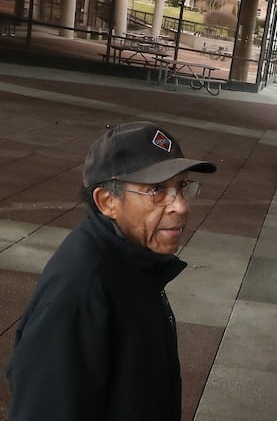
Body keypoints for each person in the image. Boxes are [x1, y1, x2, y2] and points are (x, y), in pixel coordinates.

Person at [5, 121, 217, 420]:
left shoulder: (133, 260)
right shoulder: (80, 291)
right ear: (108, 202)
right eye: (156, 190)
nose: (180, 206)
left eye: (181, 186)